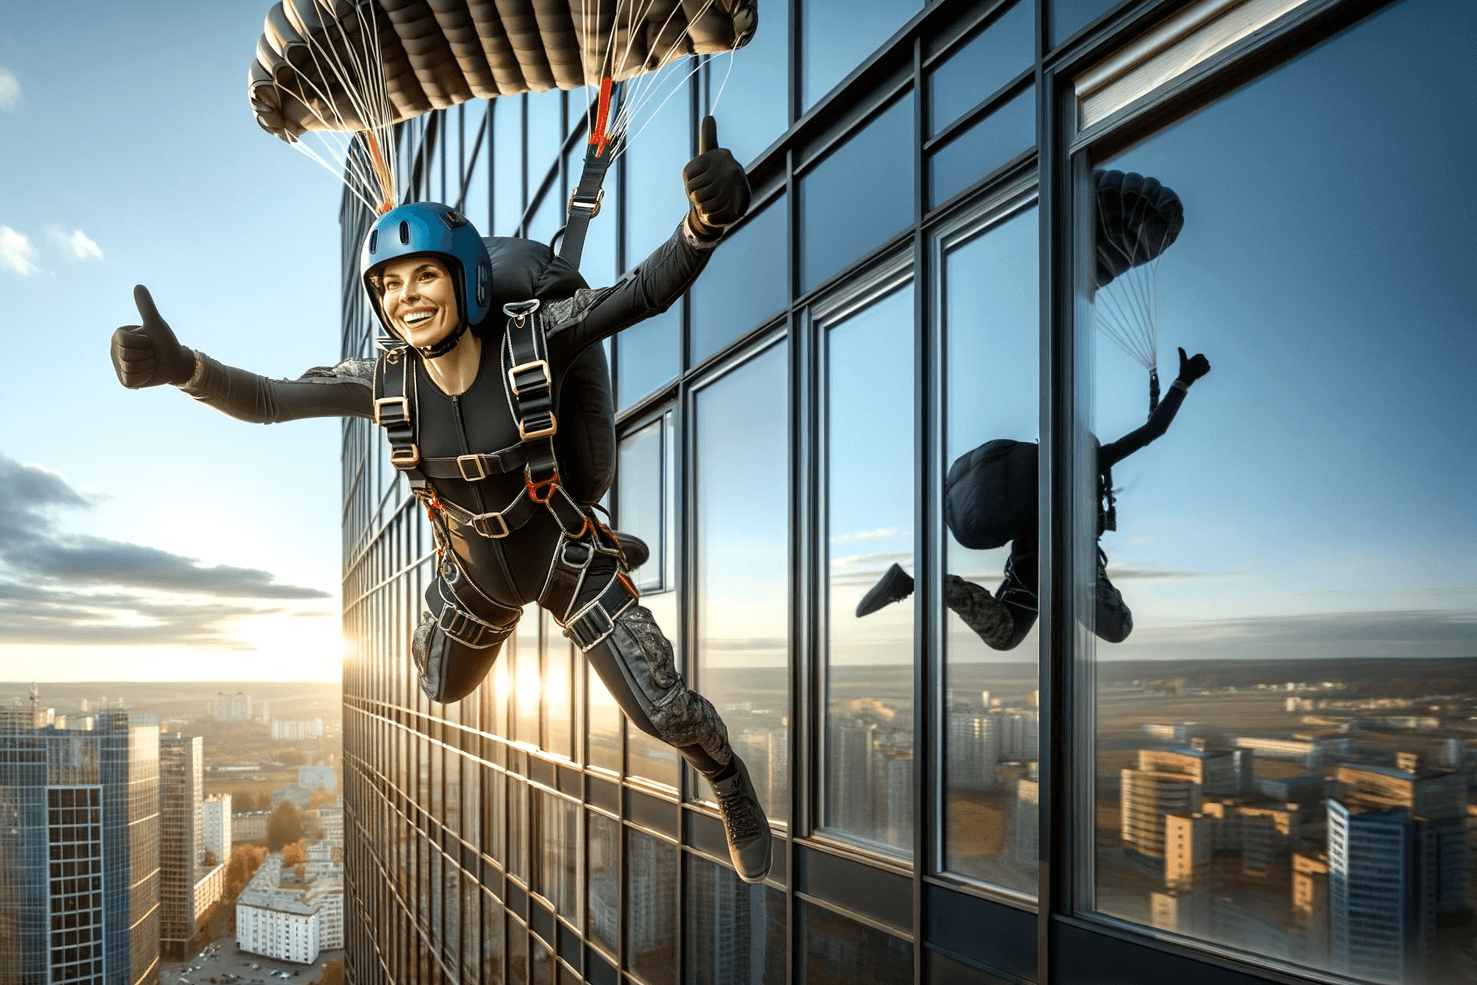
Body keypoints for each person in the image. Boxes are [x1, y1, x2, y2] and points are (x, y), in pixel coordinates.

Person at [109, 120, 774, 883]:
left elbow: (643, 293)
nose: (405, 298)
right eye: (388, 285)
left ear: (469, 279)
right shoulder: (383, 382)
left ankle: (729, 780)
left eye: (423, 276)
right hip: (475, 572)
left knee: (666, 711)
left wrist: (704, 224)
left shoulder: (536, 337)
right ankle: (533, 580)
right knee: (440, 685)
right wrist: (184, 367)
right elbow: (268, 399)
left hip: (560, 553)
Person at [856, 347, 1212, 650]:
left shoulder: (1038, 473)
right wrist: (1183, 383)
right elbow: (1154, 430)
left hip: (1029, 570)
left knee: (1005, 634)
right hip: (1073, 568)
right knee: (1119, 627)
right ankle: (1073, 592)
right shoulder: (1090, 465)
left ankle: (920, 585)